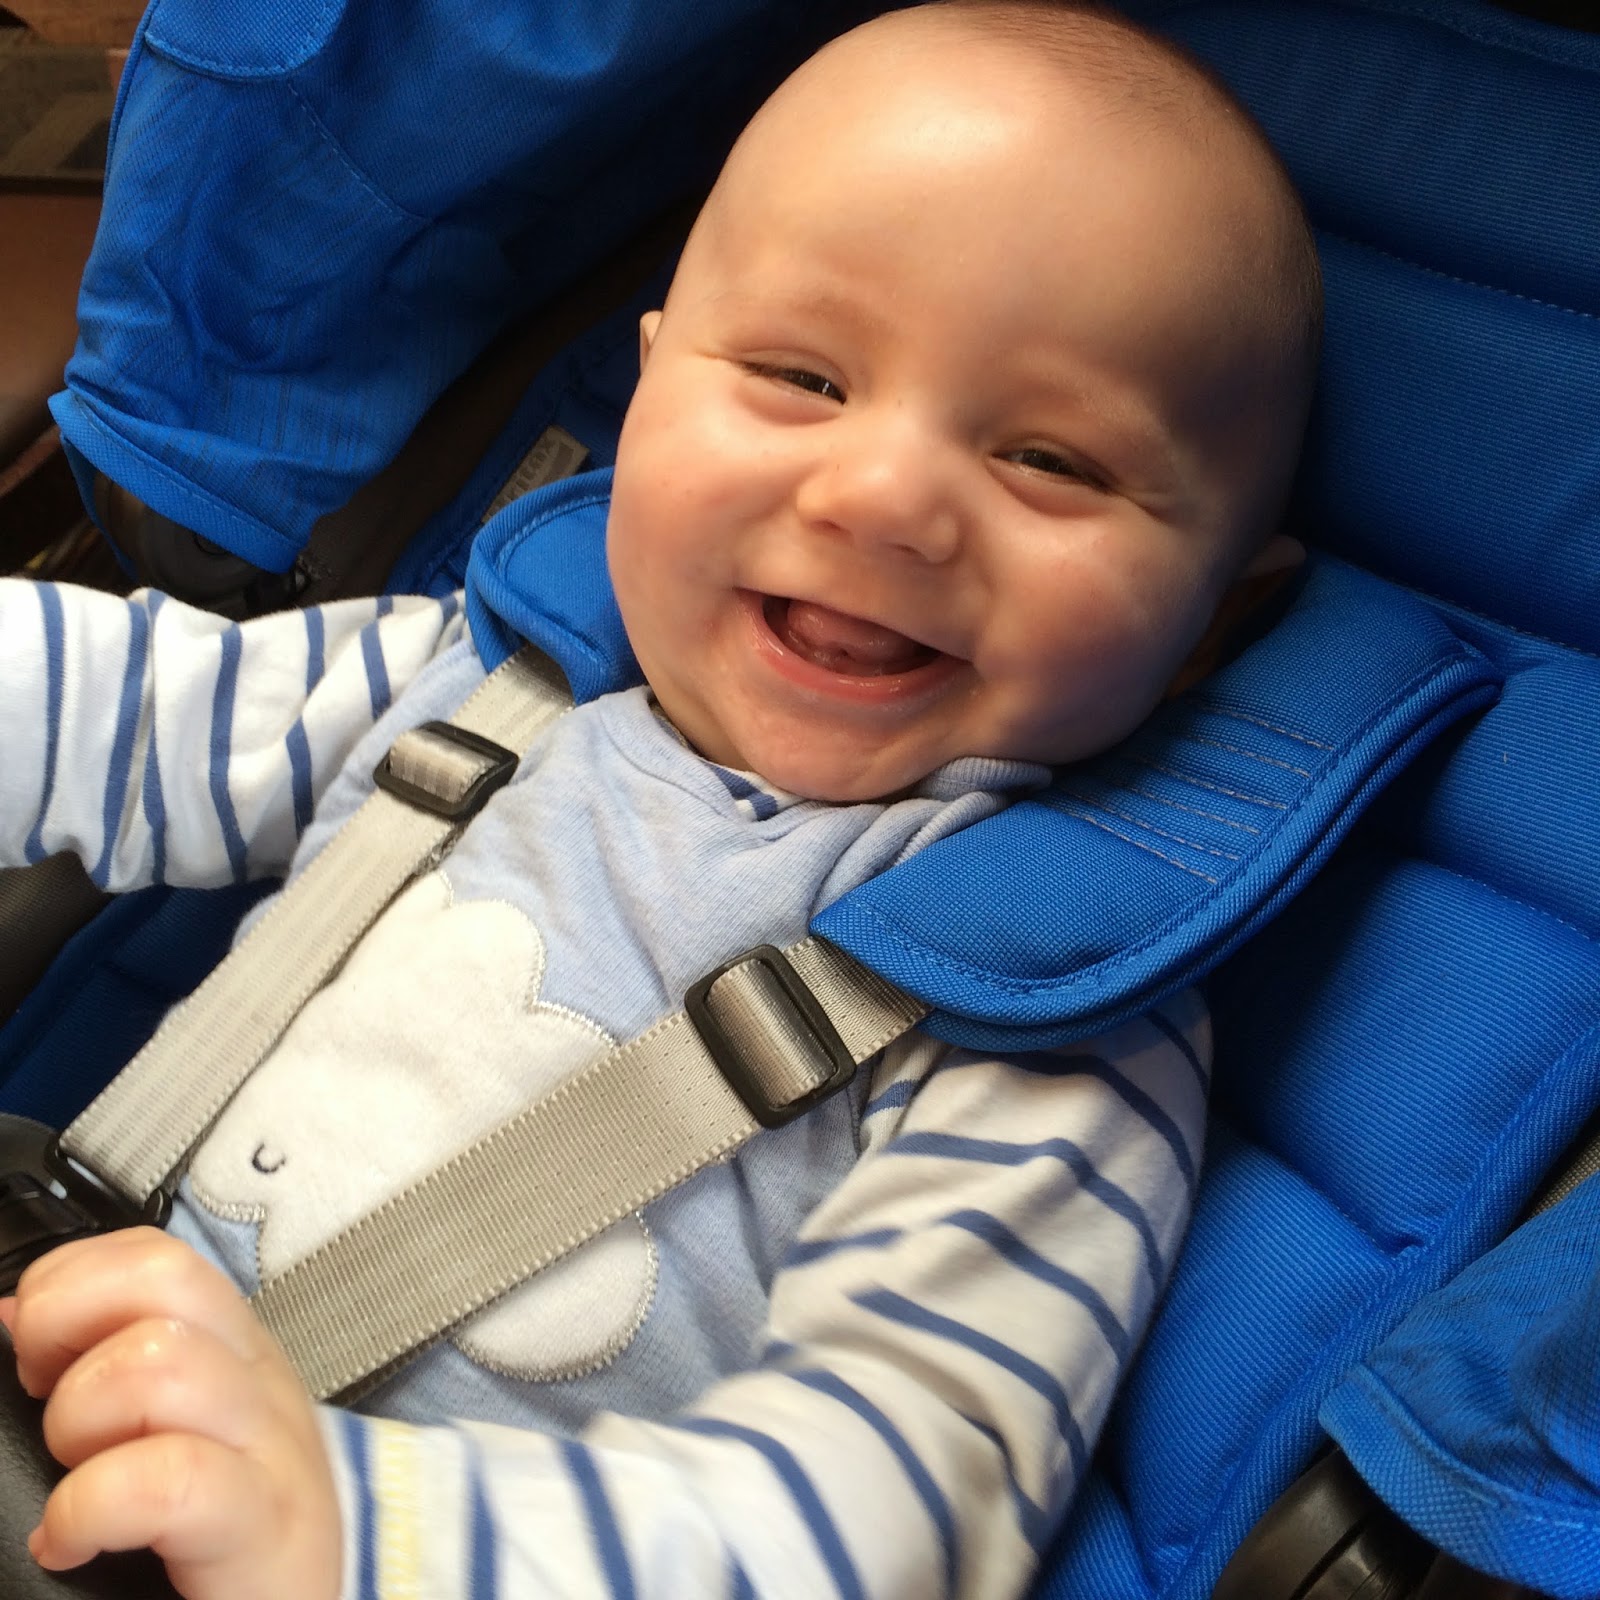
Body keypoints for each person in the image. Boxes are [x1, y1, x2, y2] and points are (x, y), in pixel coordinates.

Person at [0, 2, 1322, 1595]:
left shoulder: (1045, 1013)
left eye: (1053, 461)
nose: (883, 497)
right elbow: (104, 706)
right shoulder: (473, 687)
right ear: (645, 401)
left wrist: (354, 1522)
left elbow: (884, 1508)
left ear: (1218, 622)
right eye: (801, 376)